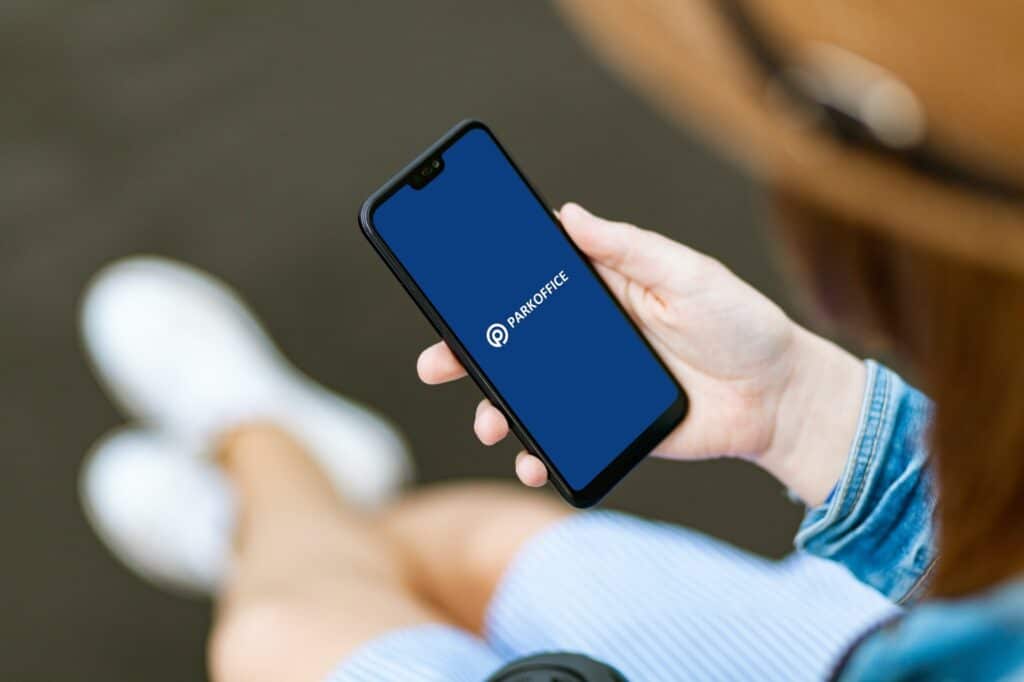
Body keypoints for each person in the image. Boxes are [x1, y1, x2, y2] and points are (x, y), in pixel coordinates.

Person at [78, 1, 1024, 680]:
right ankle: (298, 510)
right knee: (474, 545)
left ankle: (259, 459)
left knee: (273, 637)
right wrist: (799, 408)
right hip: (895, 632)